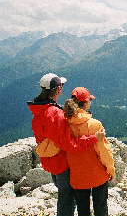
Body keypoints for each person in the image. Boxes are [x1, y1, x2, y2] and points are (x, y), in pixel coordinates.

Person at [27, 73, 105, 216]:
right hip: (62, 163)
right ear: (58, 90)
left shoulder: (39, 110)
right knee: (67, 200)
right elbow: (67, 144)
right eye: (61, 85)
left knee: (65, 197)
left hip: (50, 161)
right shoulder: (54, 113)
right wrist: (93, 138)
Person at [64, 87, 115, 216]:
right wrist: (110, 168)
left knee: (82, 210)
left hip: (78, 175)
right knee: (101, 207)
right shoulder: (94, 124)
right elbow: (104, 151)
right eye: (90, 100)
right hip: (97, 173)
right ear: (86, 102)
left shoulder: (65, 124)